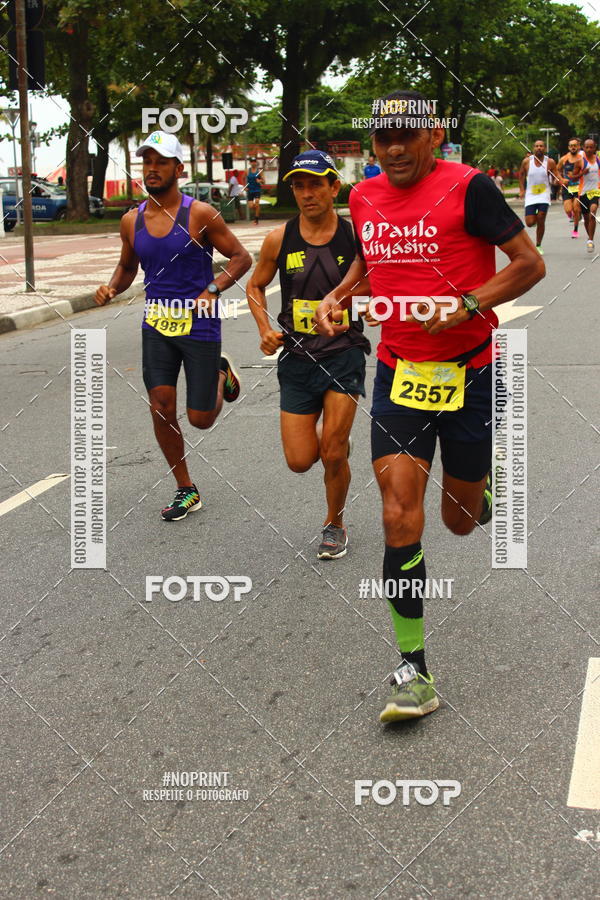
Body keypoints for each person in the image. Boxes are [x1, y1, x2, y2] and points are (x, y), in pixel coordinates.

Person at [315, 89, 545, 722]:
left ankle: (480, 488)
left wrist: (468, 303)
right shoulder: (363, 195)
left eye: (405, 136)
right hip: (398, 375)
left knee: (460, 522)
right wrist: (339, 293)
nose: (391, 148)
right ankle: (413, 667)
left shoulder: (469, 187)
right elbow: (372, 257)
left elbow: (530, 264)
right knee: (397, 516)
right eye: (382, 137)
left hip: (467, 373)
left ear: (434, 136)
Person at [94, 130, 252, 521]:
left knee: (200, 419)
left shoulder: (198, 214)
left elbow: (240, 257)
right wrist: (112, 287)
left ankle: (220, 373)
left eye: (161, 161)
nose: (152, 169)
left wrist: (213, 289)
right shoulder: (131, 220)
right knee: (161, 405)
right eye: (147, 161)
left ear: (178, 168)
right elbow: (128, 266)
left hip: (199, 325)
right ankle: (185, 487)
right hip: (157, 326)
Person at [246, 150, 371, 559]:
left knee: (332, 450)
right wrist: (265, 327)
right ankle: (337, 445)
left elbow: (377, 280)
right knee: (300, 461)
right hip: (297, 359)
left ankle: (334, 523)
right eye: (298, 186)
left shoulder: (356, 237)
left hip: (344, 352)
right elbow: (255, 285)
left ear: (335, 186)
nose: (306, 193)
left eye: (315, 184)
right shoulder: (279, 239)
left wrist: (358, 302)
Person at [518, 140, 561, 254]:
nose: (539, 148)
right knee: (530, 223)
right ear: (533, 148)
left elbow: (556, 175)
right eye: (536, 146)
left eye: (541, 146)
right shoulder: (527, 161)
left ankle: (538, 245)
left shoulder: (550, 162)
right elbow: (521, 175)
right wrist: (522, 189)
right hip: (531, 195)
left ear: (545, 148)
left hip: (544, 194)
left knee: (541, 216)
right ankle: (537, 220)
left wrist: (558, 181)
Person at [557, 139, 585, 237]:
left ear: (578, 147)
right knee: (568, 210)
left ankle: (575, 230)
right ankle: (571, 215)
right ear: (569, 147)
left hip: (579, 187)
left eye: (575, 145)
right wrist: (561, 179)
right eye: (571, 145)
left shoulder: (582, 158)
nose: (573, 147)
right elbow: (556, 171)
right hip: (567, 188)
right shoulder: (564, 159)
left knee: (576, 208)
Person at [578, 138, 600, 252]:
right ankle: (589, 236)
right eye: (587, 147)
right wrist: (582, 173)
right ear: (583, 148)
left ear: (595, 148)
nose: (589, 149)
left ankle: (590, 240)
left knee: (593, 213)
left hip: (595, 192)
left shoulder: (598, 160)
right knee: (586, 218)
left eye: (591, 147)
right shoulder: (580, 161)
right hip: (583, 193)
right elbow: (573, 176)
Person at [246, 158, 264, 224]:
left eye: (254, 162)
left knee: (257, 202)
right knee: (251, 206)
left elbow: (264, 181)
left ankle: (256, 219)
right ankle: (258, 210)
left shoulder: (259, 171)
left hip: (257, 189)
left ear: (256, 163)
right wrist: (245, 186)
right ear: (250, 163)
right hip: (250, 190)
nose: (253, 163)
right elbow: (242, 178)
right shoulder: (247, 171)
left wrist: (260, 181)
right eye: (252, 162)